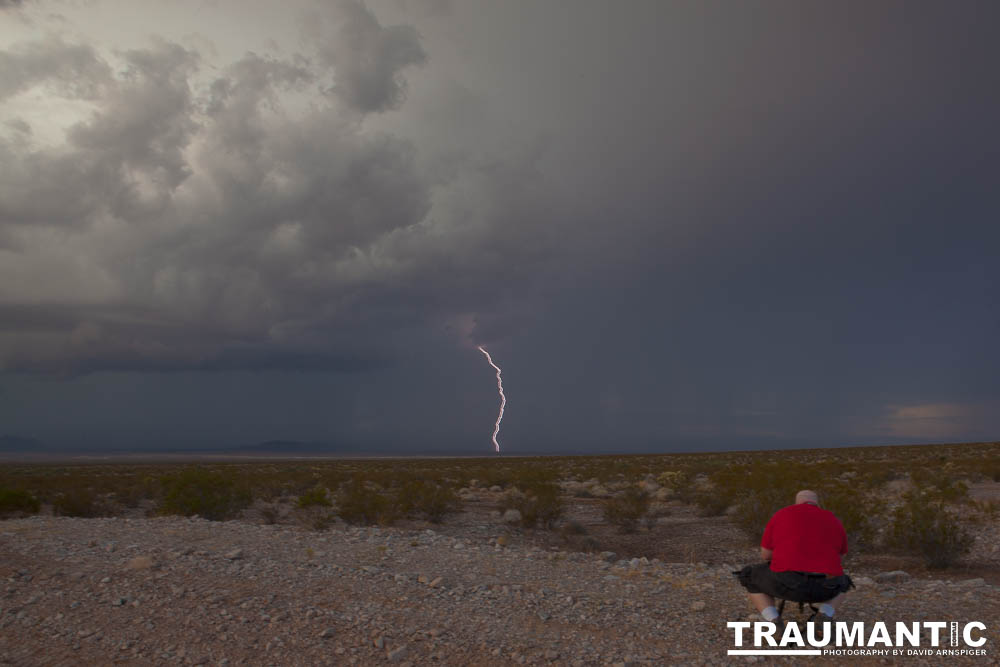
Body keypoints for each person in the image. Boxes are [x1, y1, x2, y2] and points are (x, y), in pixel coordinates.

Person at [734, 490, 853, 624]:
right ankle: (824, 616)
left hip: (786, 584)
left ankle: (773, 620)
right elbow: (840, 557)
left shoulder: (782, 514)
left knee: (749, 575)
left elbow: (766, 555)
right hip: (825, 588)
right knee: (844, 581)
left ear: (797, 502)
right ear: (817, 503)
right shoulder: (834, 519)